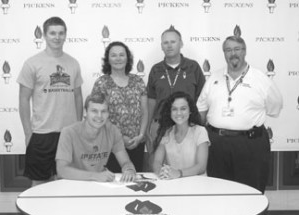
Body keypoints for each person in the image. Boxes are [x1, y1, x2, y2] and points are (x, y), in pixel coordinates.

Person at [197, 35, 283, 193]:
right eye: (228, 50)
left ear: (244, 51)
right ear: (224, 53)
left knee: (251, 193)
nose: (233, 53)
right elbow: (201, 109)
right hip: (217, 145)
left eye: (237, 49)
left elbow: (275, 108)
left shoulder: (260, 79)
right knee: (219, 193)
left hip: (250, 145)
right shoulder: (213, 78)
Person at [17, 16, 83, 187]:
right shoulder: (32, 63)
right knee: (39, 184)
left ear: (65, 35)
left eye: (61, 33)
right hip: (41, 134)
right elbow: (23, 100)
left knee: (66, 183)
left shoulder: (73, 63)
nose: (57, 37)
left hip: (68, 133)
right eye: (52, 33)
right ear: (44, 35)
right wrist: (27, 133)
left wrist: (78, 127)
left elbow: (78, 96)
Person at [146, 25, 206, 171]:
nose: (169, 45)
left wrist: (200, 123)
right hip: (160, 125)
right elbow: (151, 100)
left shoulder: (193, 67)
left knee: (189, 167)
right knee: (157, 167)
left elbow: (202, 98)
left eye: (173, 41)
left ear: (181, 43)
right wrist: (148, 127)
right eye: (165, 42)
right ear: (161, 46)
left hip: (186, 126)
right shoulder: (155, 69)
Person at [91, 41, 148, 172]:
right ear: (108, 59)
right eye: (114, 55)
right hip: (111, 144)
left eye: (122, 55)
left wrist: (140, 135)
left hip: (137, 143)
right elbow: (98, 116)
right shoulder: (101, 83)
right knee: (113, 184)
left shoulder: (138, 81)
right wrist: (120, 138)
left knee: (135, 183)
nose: (118, 58)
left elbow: (145, 112)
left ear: (127, 58)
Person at [56, 92, 136, 182]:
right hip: (72, 183)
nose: (99, 116)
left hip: (99, 184)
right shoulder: (68, 132)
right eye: (94, 111)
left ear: (108, 114)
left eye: (103, 111)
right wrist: (95, 176)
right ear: (85, 112)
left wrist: (129, 170)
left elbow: (125, 162)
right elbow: (61, 170)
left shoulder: (113, 131)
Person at [152, 91, 209, 179]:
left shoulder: (200, 131)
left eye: (183, 108)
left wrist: (179, 173)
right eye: (174, 109)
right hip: (173, 184)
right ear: (169, 112)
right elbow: (157, 162)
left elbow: (201, 167)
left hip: (197, 185)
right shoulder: (167, 132)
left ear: (190, 111)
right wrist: (161, 171)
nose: (179, 113)